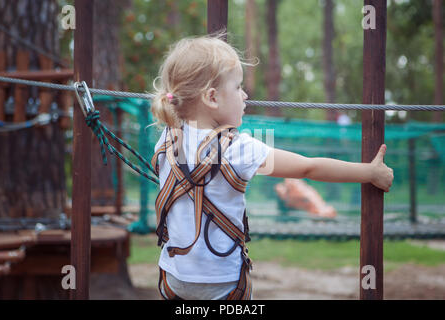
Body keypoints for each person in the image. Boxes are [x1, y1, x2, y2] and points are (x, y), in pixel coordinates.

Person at [149, 32, 394, 300]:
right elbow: (308, 168)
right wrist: (369, 172)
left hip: (173, 276)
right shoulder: (239, 148)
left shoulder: (168, 138)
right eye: (238, 87)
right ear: (212, 97)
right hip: (220, 283)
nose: (244, 96)